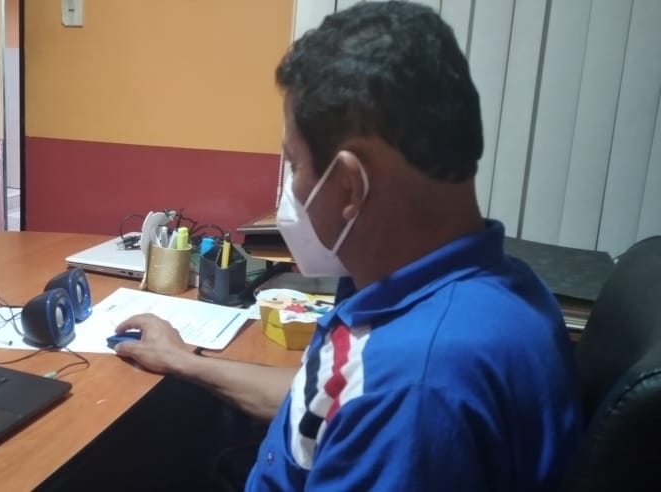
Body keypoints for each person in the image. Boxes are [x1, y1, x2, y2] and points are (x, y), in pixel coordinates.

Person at [112, 3, 581, 490]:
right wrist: (186, 362)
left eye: (295, 165)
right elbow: (331, 404)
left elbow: (382, 401)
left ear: (349, 187)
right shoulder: (497, 291)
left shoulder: (415, 384)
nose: (290, 191)